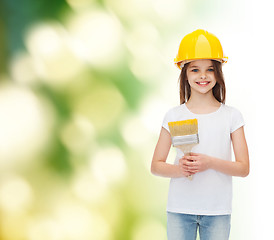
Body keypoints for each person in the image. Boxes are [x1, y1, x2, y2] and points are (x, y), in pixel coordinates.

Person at [151, 29, 249, 240]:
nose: (203, 76)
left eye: (210, 69)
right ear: (184, 73)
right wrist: (180, 169)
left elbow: (243, 168)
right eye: (195, 69)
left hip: (218, 212)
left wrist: (209, 162)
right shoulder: (174, 115)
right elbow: (156, 165)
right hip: (179, 209)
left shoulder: (231, 116)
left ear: (218, 73)